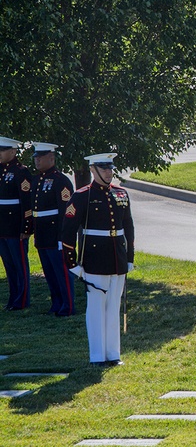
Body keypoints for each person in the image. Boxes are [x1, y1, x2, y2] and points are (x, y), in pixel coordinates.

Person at [60, 153, 134, 366]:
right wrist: (72, 263)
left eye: (110, 168)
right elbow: (68, 231)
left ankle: (113, 354)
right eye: (104, 168)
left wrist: (129, 257)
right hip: (95, 258)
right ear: (93, 170)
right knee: (96, 309)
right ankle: (97, 356)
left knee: (113, 307)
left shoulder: (121, 193)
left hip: (117, 258)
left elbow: (128, 227)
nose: (109, 172)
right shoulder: (82, 196)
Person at [28, 142, 75, 316]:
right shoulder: (37, 180)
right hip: (42, 234)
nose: (37, 161)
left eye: (40, 157)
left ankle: (68, 305)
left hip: (56, 234)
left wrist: (63, 238)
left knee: (62, 272)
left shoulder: (60, 180)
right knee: (50, 273)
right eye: (36, 158)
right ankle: (56, 303)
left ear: (51, 158)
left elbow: (65, 212)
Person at [0, 136, 32, 311]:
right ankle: (13, 298)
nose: (0, 153)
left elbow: (26, 203)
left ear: (13, 151)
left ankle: (22, 299)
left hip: (15, 228)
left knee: (20, 265)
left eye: (3, 150)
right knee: (9, 265)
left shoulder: (21, 172)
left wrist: (26, 228)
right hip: (2, 228)